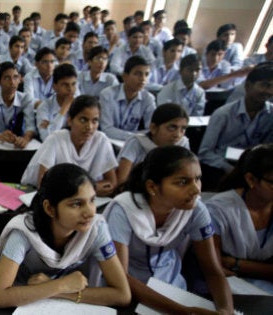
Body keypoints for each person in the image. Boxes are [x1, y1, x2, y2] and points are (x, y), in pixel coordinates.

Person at [104, 146, 234, 314]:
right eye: (182, 182)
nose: (196, 190)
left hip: (172, 286)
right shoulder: (125, 210)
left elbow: (212, 270)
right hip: (130, 291)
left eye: (198, 179)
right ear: (152, 187)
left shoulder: (195, 210)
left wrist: (226, 309)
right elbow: (120, 277)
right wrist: (182, 311)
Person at [0, 163, 131, 308]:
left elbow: (122, 294)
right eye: (76, 204)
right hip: (23, 306)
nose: (90, 212)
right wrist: (61, 285)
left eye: (92, 200)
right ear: (50, 208)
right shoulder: (24, 231)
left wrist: (57, 289)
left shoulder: (96, 228)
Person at [206, 145, 273, 294]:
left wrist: (235, 263)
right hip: (230, 287)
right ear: (251, 179)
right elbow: (216, 267)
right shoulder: (219, 209)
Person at [23, 95, 117, 197]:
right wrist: (90, 188)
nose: (89, 127)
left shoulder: (101, 140)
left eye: (94, 121)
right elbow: (44, 184)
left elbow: (111, 183)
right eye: (83, 120)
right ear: (70, 120)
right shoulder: (56, 139)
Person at [198, 62, 273, 174]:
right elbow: (204, 153)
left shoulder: (270, 115)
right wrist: (231, 170)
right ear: (248, 85)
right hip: (222, 167)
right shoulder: (223, 114)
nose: (269, 91)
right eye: (265, 85)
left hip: (253, 168)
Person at [116, 104, 190, 186]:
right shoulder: (136, 142)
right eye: (172, 127)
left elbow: (187, 178)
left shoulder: (183, 144)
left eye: (183, 129)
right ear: (153, 128)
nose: (177, 134)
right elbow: (122, 182)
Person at [0, 62, 36, 149]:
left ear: (20, 79)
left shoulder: (26, 99)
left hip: (18, 143)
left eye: (15, 77)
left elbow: (30, 126)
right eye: (7, 78)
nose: (12, 82)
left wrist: (25, 139)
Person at [99, 56, 156, 141]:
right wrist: (134, 137)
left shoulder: (148, 98)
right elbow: (107, 129)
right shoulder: (107, 94)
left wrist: (134, 138)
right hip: (109, 142)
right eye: (138, 74)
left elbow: (152, 129)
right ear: (125, 76)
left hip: (135, 143)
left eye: (146, 74)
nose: (143, 79)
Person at [35, 63, 77, 141]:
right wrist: (64, 108)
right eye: (65, 85)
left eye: (73, 84)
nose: (70, 89)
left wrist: (51, 126)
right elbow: (47, 138)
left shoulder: (80, 105)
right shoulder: (44, 107)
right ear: (54, 86)